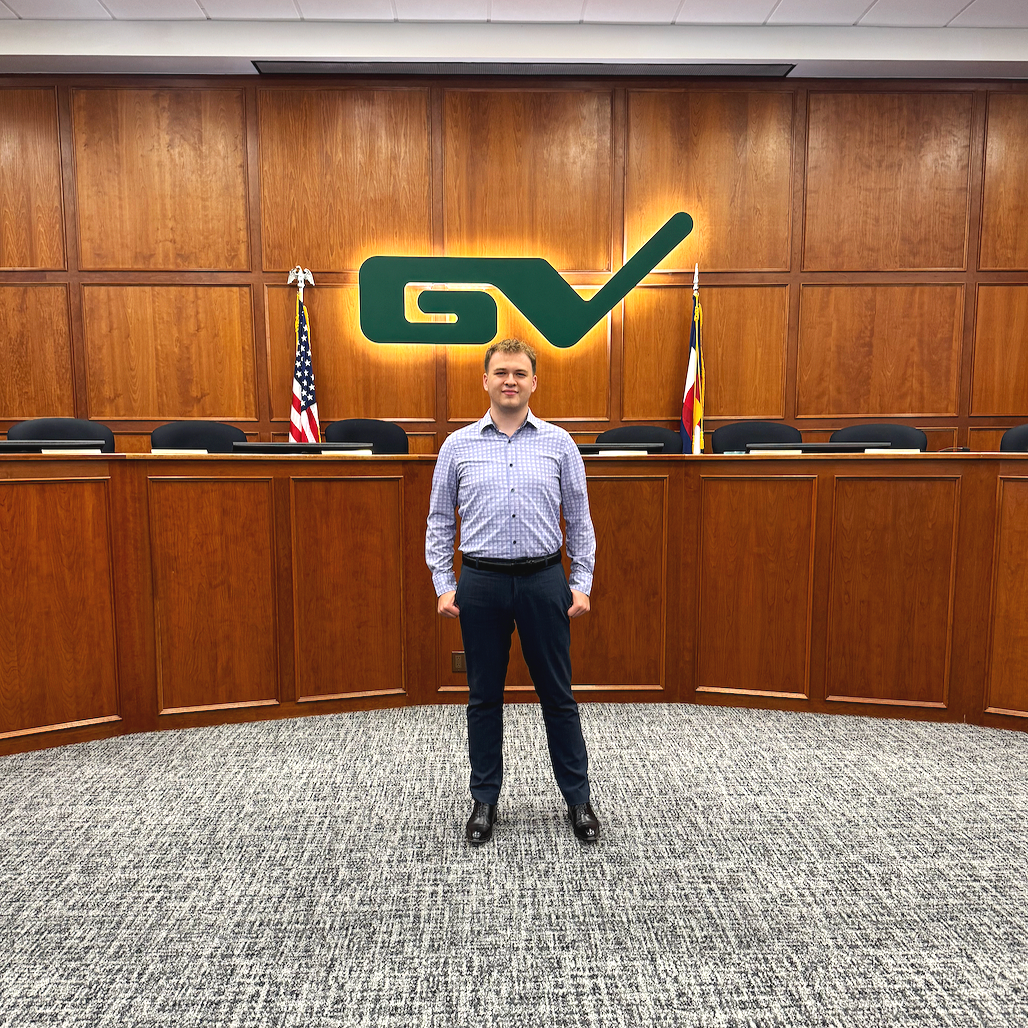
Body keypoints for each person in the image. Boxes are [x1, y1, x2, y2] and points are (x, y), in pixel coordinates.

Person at [426, 338, 599, 846]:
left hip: (545, 581)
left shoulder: (559, 444)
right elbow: (439, 522)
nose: (510, 381)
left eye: (520, 373)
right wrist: (444, 583)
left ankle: (578, 799)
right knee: (484, 697)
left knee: (558, 696)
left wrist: (581, 582)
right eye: (501, 372)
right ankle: (484, 799)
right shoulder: (457, 446)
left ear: (533, 382)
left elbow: (580, 519)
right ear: (485, 380)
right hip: (480, 583)